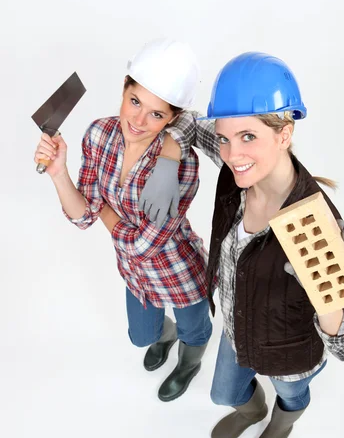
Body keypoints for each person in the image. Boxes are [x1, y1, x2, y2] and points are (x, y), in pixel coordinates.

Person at [142, 52, 344, 438]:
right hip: (238, 326)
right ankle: (251, 411)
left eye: (248, 137)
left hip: (290, 351)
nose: (230, 152)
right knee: (223, 395)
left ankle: (284, 419)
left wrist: (325, 293)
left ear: (284, 133)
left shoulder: (320, 226)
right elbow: (186, 121)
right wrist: (169, 159)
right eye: (225, 138)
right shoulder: (238, 169)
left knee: (291, 392)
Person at [33, 38, 212, 402]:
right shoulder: (99, 134)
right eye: (135, 102)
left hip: (179, 270)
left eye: (157, 114)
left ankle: (189, 363)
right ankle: (166, 335)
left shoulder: (183, 165)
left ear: (173, 118)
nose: (139, 121)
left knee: (194, 330)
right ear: (124, 88)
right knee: (141, 336)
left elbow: (144, 245)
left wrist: (104, 211)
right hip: (134, 274)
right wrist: (58, 173)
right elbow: (83, 215)